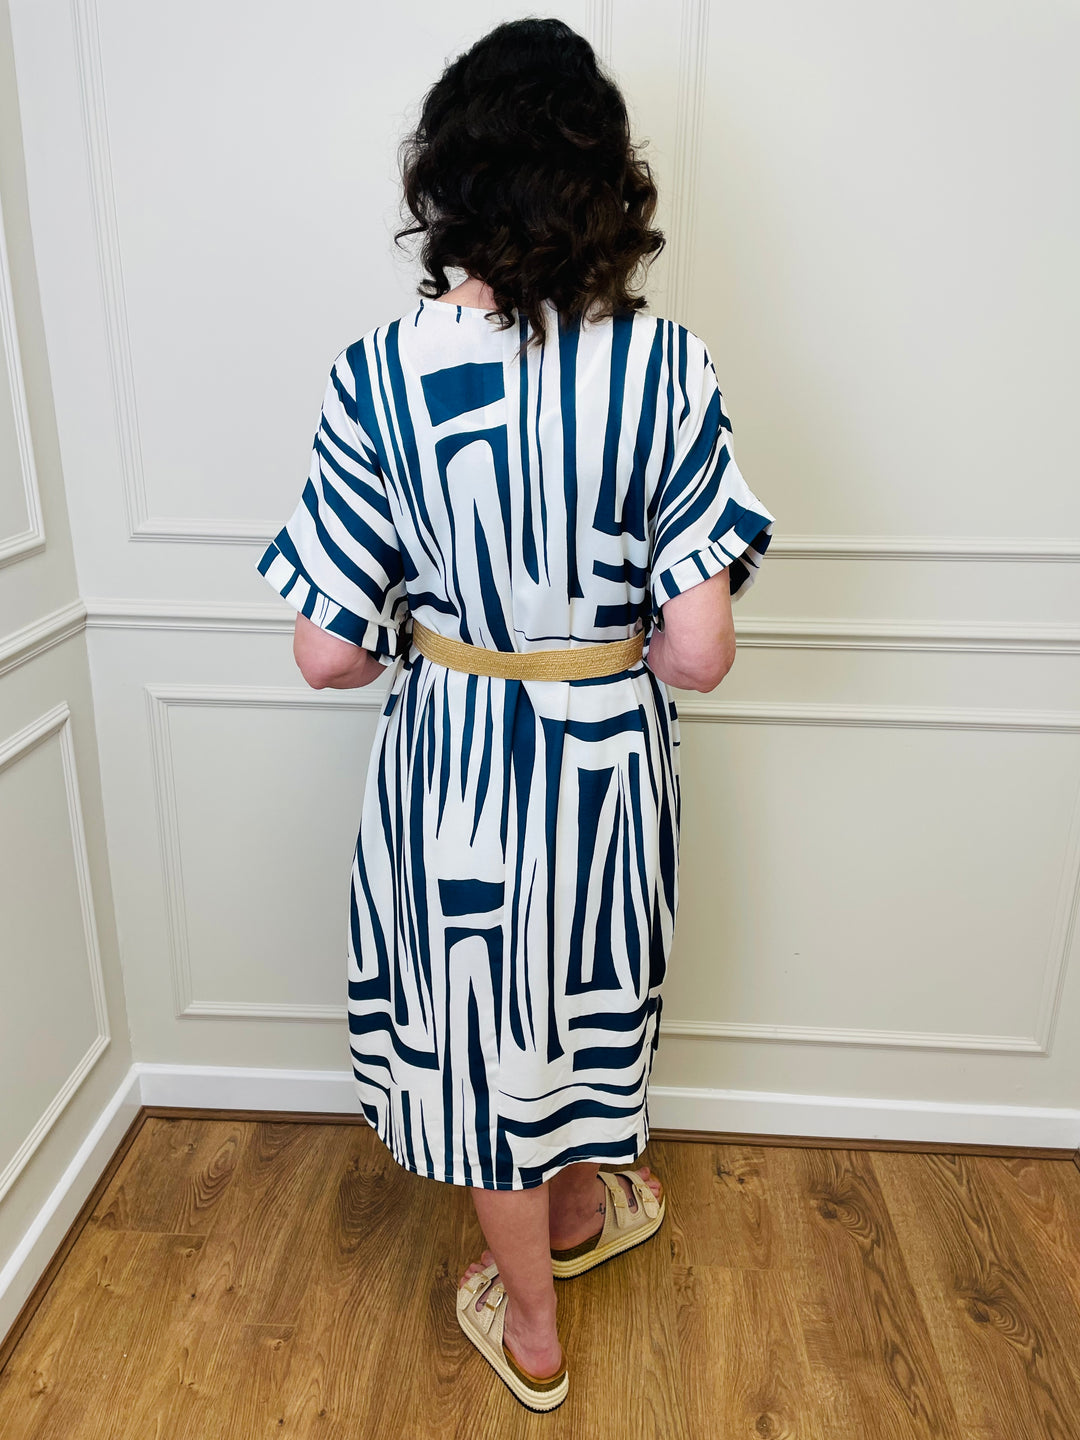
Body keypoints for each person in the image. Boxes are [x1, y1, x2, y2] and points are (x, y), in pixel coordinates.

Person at [256, 16, 776, 1414]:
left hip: (457, 766)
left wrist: (441, 640)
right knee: (584, 1000)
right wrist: (597, 647)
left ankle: (534, 1325)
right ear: (604, 185)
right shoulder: (668, 370)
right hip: (608, 763)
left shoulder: (379, 376)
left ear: (448, 180)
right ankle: (582, 1210)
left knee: (486, 1041)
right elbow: (701, 656)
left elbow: (324, 657)